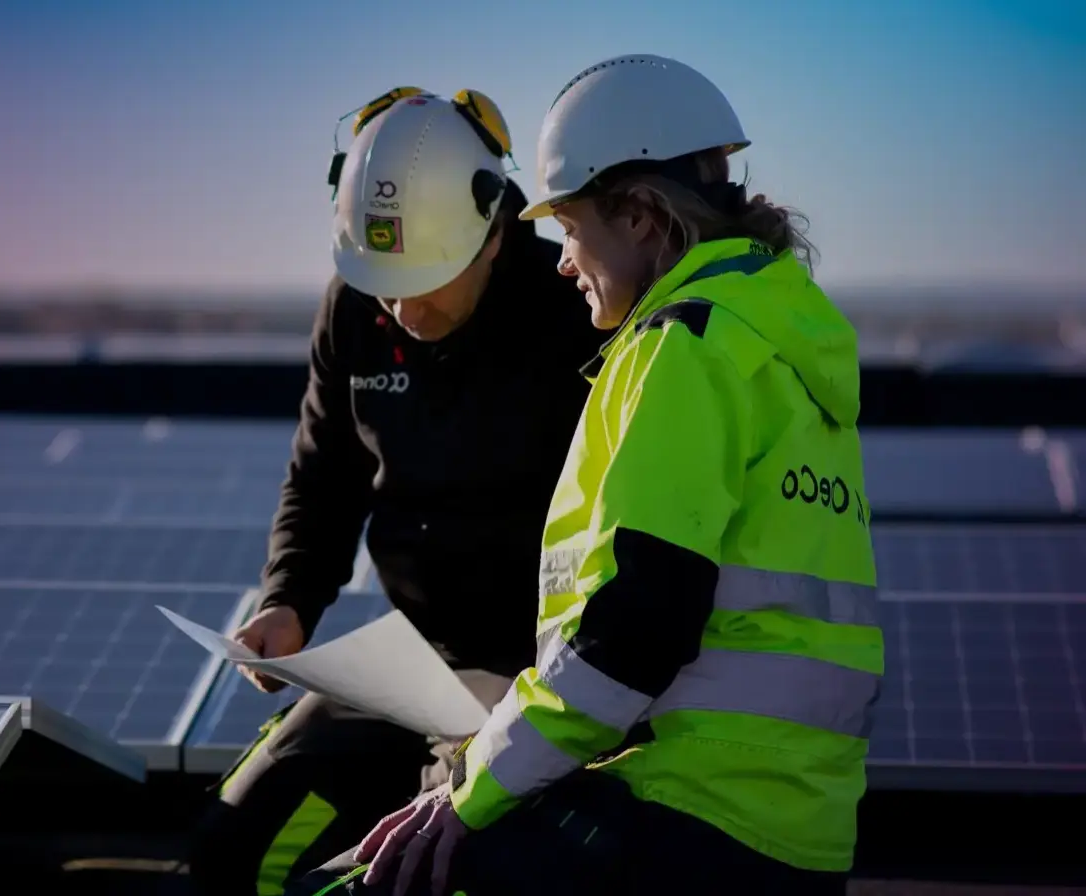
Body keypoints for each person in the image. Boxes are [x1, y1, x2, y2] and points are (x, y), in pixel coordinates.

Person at [285, 53, 883, 896]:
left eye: (569, 229)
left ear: (640, 217)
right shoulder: (779, 340)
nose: (562, 261)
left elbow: (634, 629)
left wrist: (469, 793)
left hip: (680, 809)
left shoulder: (685, 348)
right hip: (793, 834)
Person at [186, 86, 605, 896]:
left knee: (420, 874)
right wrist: (289, 599)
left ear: (490, 232)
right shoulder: (353, 306)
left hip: (540, 680)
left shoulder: (574, 313)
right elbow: (322, 471)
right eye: (386, 286)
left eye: (426, 283)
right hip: (407, 664)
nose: (403, 311)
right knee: (228, 847)